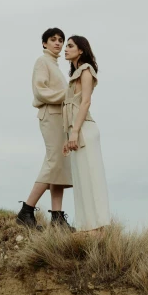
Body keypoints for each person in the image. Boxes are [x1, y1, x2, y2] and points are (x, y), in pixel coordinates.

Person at [17, 28, 74, 230]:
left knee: (59, 165)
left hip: (60, 118)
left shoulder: (55, 65)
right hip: (50, 116)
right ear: (44, 43)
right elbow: (40, 91)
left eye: (61, 40)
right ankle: (26, 210)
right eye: (53, 40)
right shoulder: (42, 62)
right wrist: (68, 95)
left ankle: (57, 217)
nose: (58, 43)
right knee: (53, 162)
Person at [63, 35, 111, 232]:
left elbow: (86, 101)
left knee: (91, 175)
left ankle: (98, 227)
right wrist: (69, 135)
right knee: (81, 177)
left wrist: (75, 132)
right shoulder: (74, 74)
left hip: (84, 129)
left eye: (70, 45)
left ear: (81, 50)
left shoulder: (86, 70)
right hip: (75, 129)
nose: (66, 48)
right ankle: (87, 227)